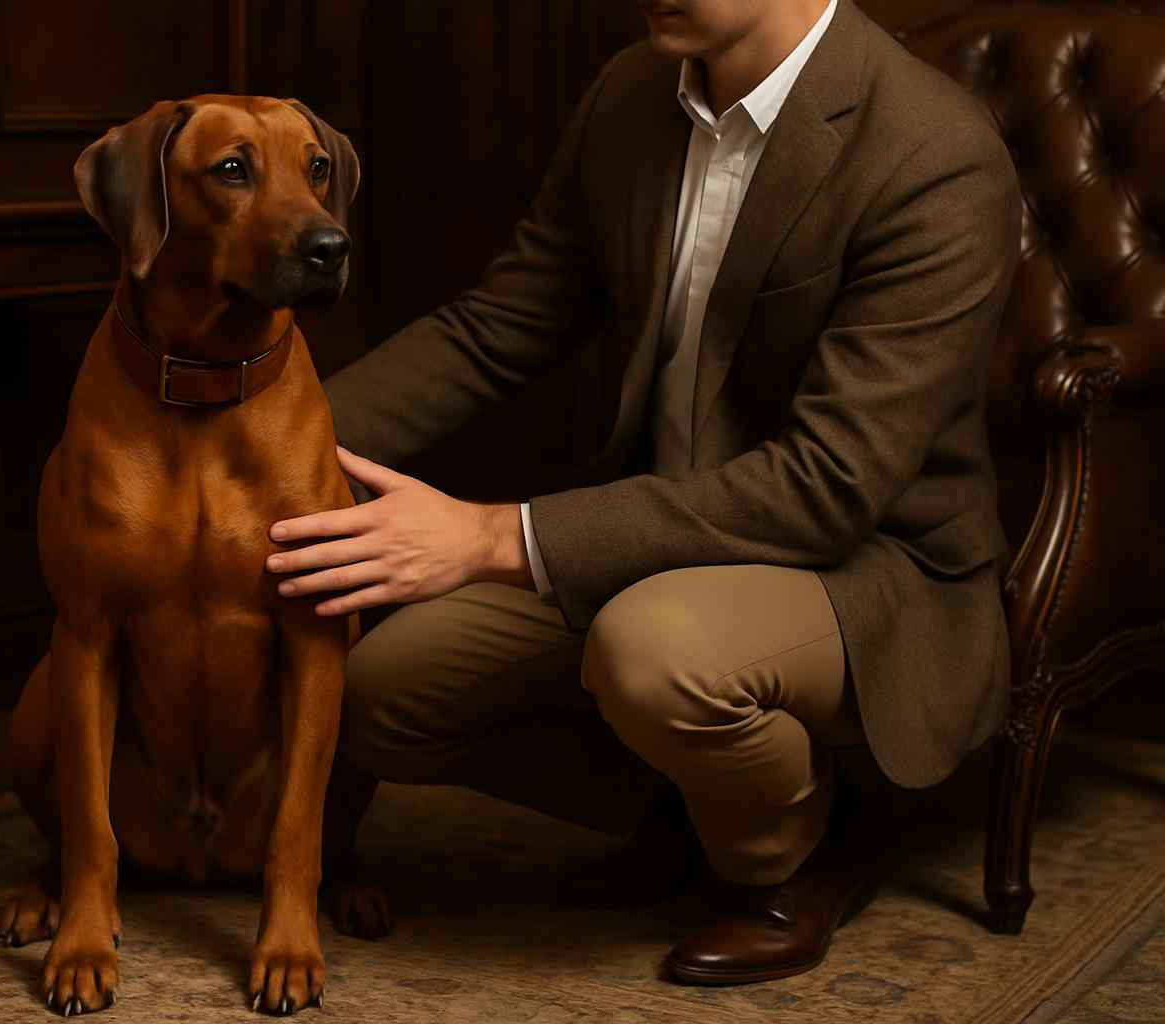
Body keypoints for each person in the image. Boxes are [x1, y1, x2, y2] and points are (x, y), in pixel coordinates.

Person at [263, 0, 1022, 984]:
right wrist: (257, 443)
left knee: (655, 654)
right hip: (655, 536)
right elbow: (498, 326)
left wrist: (496, 536)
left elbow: (829, 485)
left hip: (876, 566)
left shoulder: (934, 149)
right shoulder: (632, 93)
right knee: (372, 697)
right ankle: (697, 807)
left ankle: (800, 848)